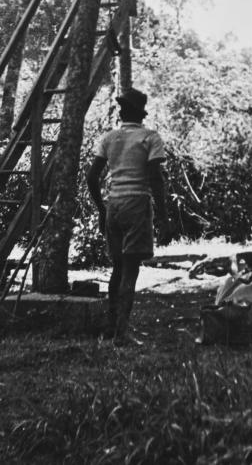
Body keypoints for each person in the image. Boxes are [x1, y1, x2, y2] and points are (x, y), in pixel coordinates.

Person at [86, 86, 169, 343]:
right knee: (131, 270)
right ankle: (121, 333)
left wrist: (101, 209)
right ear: (141, 114)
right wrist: (164, 217)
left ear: (122, 112)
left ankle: (112, 327)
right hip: (137, 204)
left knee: (118, 268)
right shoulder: (150, 138)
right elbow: (155, 177)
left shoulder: (109, 139)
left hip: (114, 204)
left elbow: (91, 177)